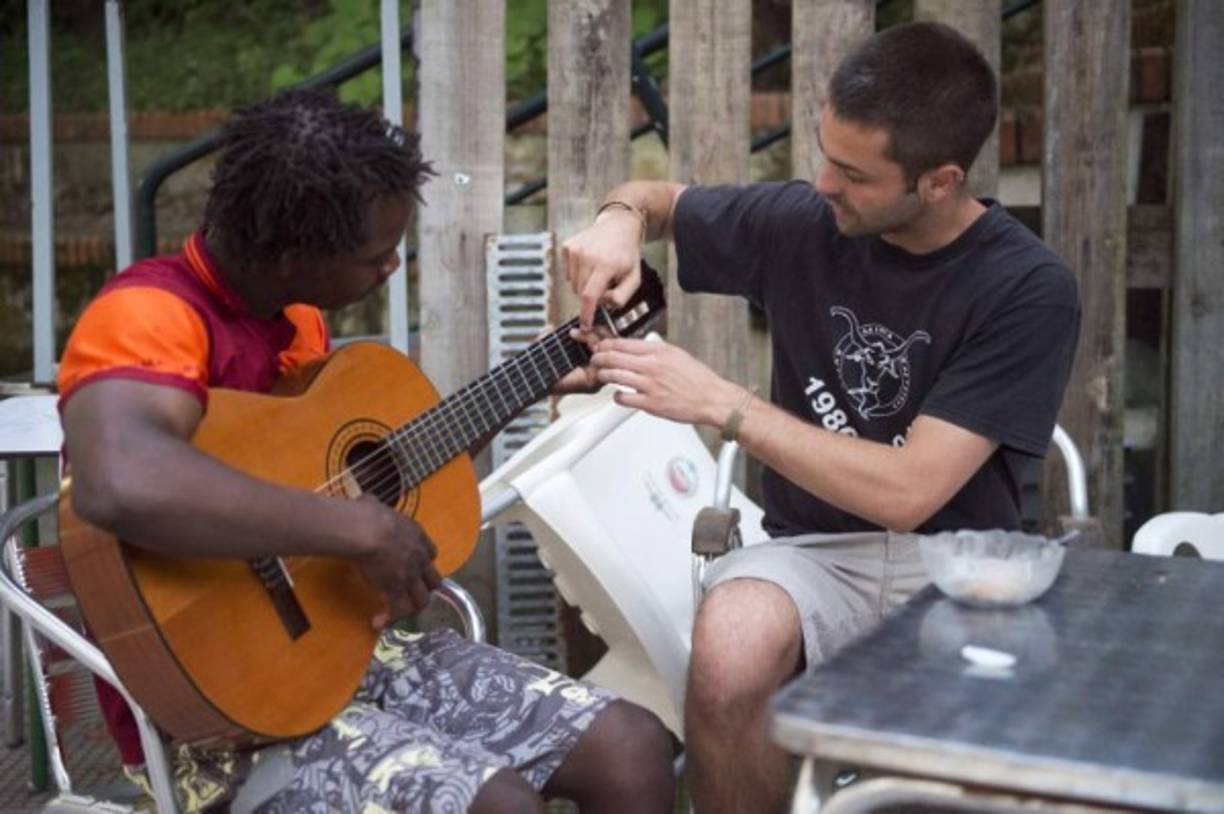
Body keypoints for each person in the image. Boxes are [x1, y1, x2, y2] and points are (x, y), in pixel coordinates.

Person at [57, 88, 674, 814]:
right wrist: (360, 530)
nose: (390, 268)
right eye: (373, 255)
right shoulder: (151, 314)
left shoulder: (296, 322)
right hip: (211, 725)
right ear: (292, 250)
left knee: (632, 745)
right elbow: (118, 481)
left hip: (347, 657)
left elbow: (371, 470)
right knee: (497, 805)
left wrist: (538, 375)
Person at [559, 21, 1080, 814]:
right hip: (810, 553)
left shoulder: (1026, 286)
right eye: (823, 154)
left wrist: (720, 404)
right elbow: (658, 201)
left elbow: (910, 493)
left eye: (853, 173)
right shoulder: (806, 222)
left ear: (939, 181)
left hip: (955, 561)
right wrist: (617, 218)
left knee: (979, 765)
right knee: (728, 652)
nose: (823, 183)